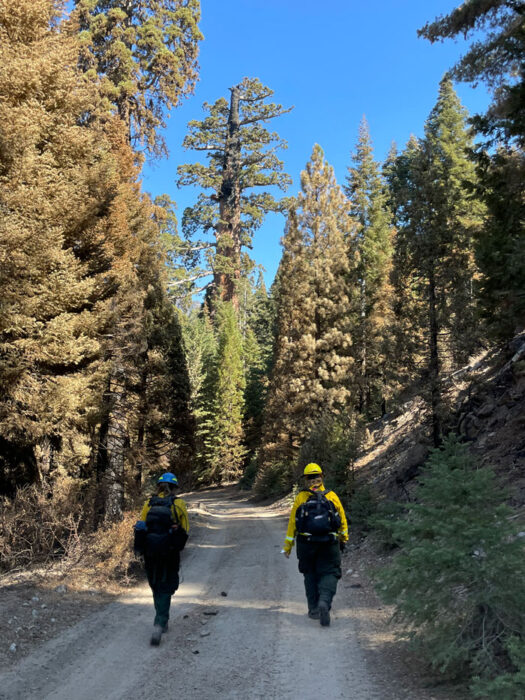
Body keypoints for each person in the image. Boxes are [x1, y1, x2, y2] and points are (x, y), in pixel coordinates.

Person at [282, 463, 348, 627]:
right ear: (322, 476)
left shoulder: (301, 498)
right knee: (331, 572)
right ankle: (324, 601)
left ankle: (313, 610)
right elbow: (342, 521)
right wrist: (343, 539)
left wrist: (288, 546)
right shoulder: (331, 496)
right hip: (329, 542)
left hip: (306, 544)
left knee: (310, 575)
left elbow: (293, 524)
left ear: (306, 480)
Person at [134, 472, 189, 646]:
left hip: (150, 552)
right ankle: (160, 622)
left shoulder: (148, 504)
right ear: (174, 487)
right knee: (167, 585)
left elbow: (142, 526)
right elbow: (185, 530)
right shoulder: (179, 504)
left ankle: (161, 618)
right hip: (170, 552)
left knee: (156, 584)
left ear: (158, 486)